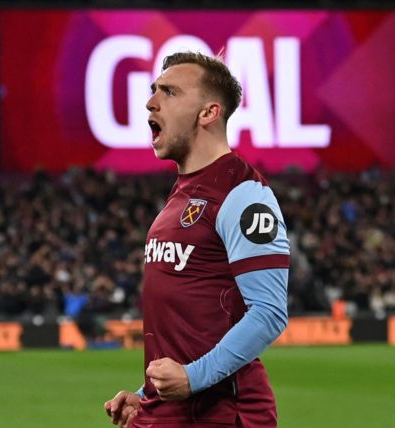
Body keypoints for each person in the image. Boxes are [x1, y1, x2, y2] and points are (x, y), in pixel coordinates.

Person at [104, 51, 290, 427]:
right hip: (170, 411)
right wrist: (147, 394)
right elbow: (186, 331)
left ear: (208, 113)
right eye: (154, 89)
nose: (150, 102)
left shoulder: (242, 194)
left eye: (169, 92)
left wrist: (193, 378)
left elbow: (270, 312)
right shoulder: (182, 195)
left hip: (222, 414)